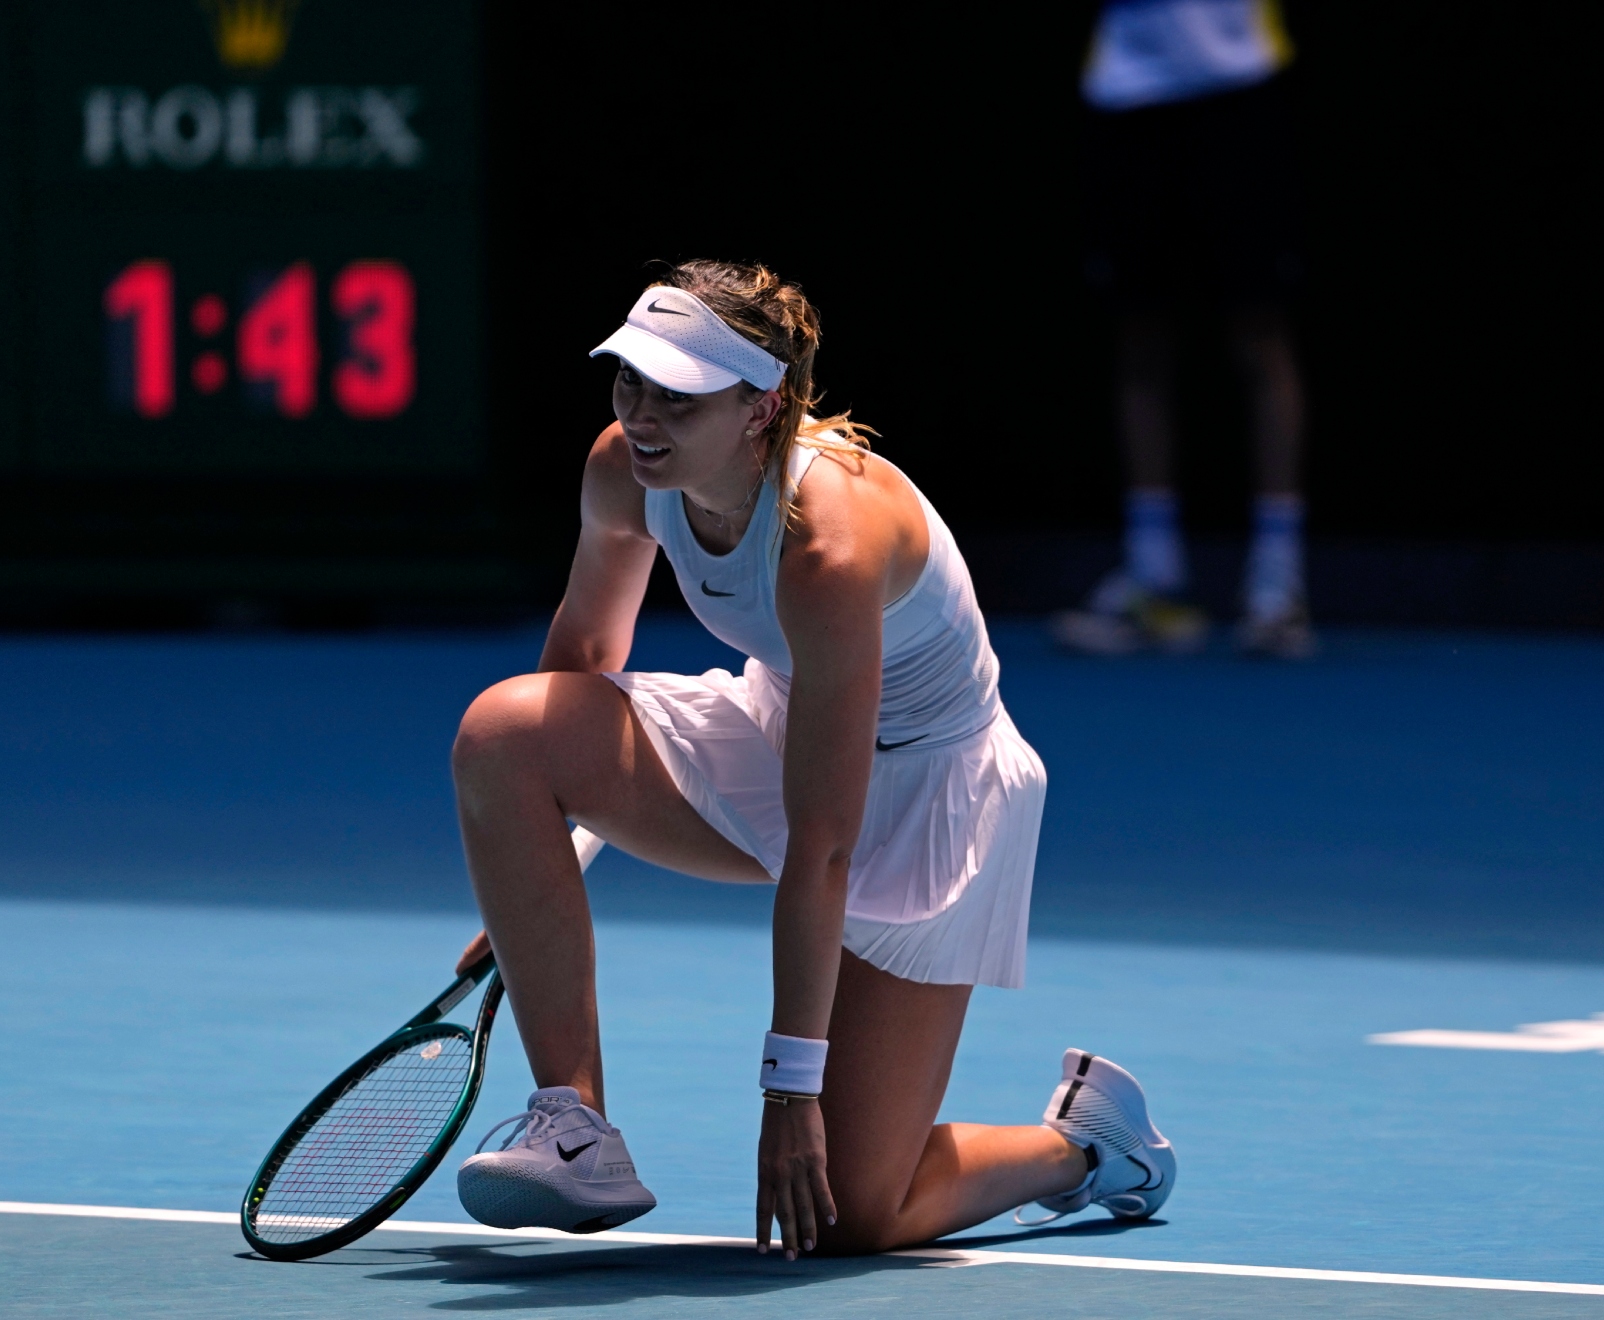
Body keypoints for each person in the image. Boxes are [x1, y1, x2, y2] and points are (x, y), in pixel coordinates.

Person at [447, 261, 1175, 1257]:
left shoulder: (827, 547)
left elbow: (823, 846)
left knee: (855, 1216)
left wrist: (789, 1093)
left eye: (679, 395)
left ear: (761, 406)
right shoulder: (623, 467)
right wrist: (535, 876)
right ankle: (575, 1131)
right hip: (777, 731)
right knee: (502, 730)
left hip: (927, 794)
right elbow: (580, 667)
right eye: (630, 382)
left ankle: (1087, 1147)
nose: (644, 415)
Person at [1051, 0, 1315, 658]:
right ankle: (1156, 580)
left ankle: (1277, 590)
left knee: (1262, 339)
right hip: (1128, 103)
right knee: (1142, 344)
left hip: (1240, 95)